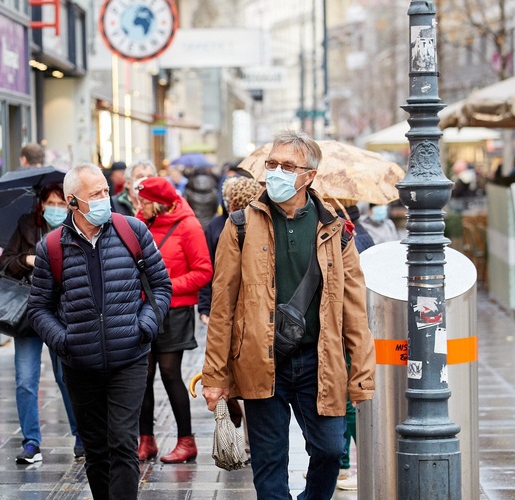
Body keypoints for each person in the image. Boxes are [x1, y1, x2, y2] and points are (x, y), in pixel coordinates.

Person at [201, 130, 376, 499]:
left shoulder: (336, 231)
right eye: (272, 164)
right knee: (269, 463)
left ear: (309, 175)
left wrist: (361, 375)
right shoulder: (240, 225)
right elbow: (222, 307)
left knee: (330, 450)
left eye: (287, 165)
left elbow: (355, 311)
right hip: (261, 360)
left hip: (320, 361)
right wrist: (215, 375)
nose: (276, 172)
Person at [27, 164, 172, 499]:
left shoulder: (132, 231)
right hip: (80, 364)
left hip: (130, 357)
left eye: (105, 191)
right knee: (95, 448)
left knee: (123, 442)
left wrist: (145, 325)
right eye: (95, 194)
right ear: (72, 201)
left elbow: (162, 286)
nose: (105, 199)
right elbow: (38, 308)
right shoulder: (51, 247)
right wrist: (65, 341)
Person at [0, 183, 82, 463]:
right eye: (50, 203)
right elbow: (6, 262)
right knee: (25, 380)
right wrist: (29, 259)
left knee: (67, 377)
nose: (55, 209)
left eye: (61, 204)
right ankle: (31, 442)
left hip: (63, 314)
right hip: (29, 313)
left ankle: (82, 436)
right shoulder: (26, 226)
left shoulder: (76, 229)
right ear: (41, 204)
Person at [134, 177, 212, 463]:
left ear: (158, 202)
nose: (139, 206)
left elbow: (204, 271)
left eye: (144, 201)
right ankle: (146, 440)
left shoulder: (188, 226)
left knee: (169, 373)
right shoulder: (140, 223)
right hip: (142, 310)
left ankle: (186, 441)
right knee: (142, 375)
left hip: (175, 310)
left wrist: (165, 286)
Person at [198, 176, 260, 325]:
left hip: (255, 303)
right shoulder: (216, 226)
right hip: (225, 300)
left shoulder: (264, 228)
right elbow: (208, 266)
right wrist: (205, 306)